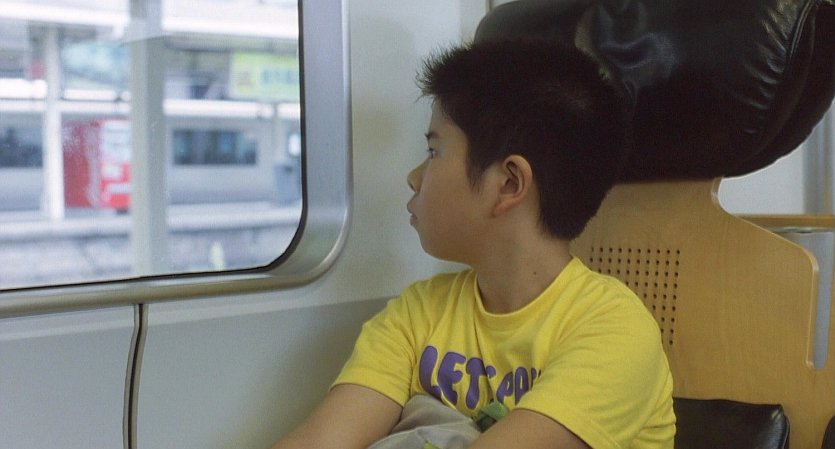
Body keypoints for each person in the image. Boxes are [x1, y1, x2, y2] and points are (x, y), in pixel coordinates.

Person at [272, 38, 675, 449]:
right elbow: (322, 440)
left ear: (509, 184)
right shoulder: (418, 313)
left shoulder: (614, 330)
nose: (414, 177)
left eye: (434, 151)